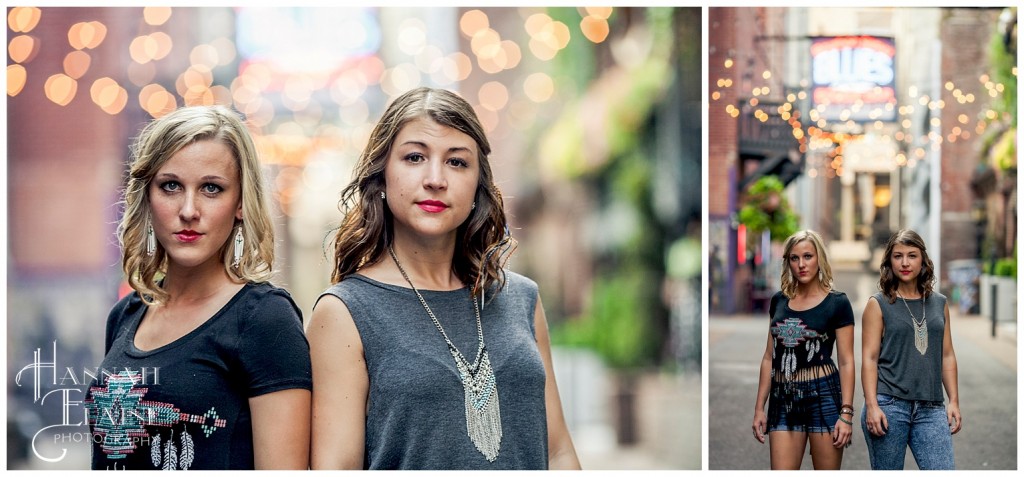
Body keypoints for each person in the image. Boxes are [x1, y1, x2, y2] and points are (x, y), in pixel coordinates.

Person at [308, 87, 581, 470]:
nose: (435, 179)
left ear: (476, 185)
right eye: (415, 157)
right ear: (382, 176)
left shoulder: (521, 298)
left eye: (456, 162)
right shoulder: (344, 312)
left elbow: (558, 451)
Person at [83, 105, 312, 470]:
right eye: (171, 186)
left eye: (211, 188)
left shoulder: (264, 319)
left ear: (240, 203)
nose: (189, 209)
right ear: (148, 196)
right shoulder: (126, 316)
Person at [751, 229, 855, 469]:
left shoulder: (837, 303)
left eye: (808, 256)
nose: (801, 264)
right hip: (783, 397)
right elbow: (769, 357)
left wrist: (846, 414)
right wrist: (759, 408)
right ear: (788, 262)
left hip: (824, 395)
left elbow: (847, 361)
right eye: (794, 258)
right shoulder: (779, 301)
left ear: (819, 258)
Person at [861, 229, 961, 469]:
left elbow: (947, 355)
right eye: (898, 256)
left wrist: (954, 401)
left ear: (923, 260)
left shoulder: (939, 303)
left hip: (931, 408)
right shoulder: (878, 304)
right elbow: (869, 359)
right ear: (889, 262)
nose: (905, 263)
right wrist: (872, 406)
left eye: (912, 255)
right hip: (889, 405)